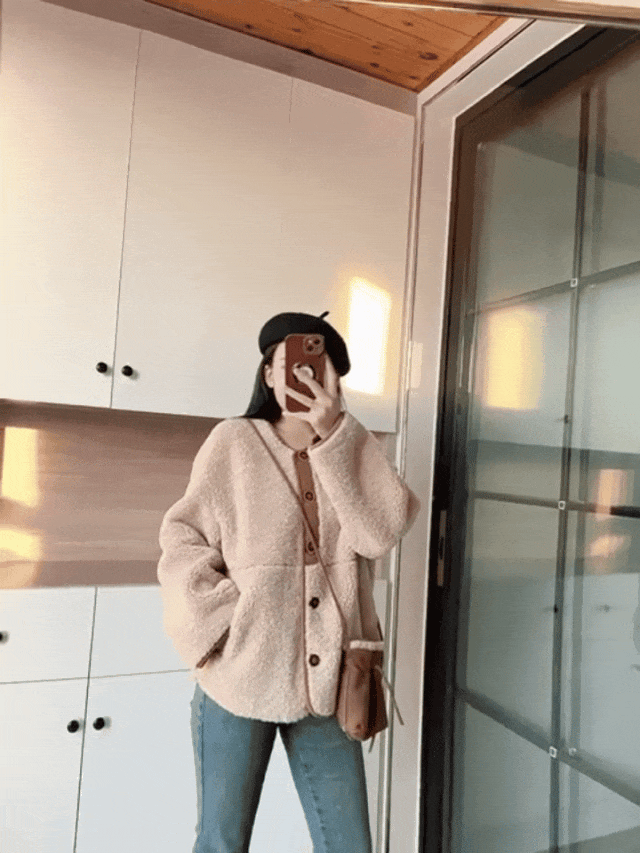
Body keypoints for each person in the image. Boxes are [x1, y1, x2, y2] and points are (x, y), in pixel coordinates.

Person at [157, 311, 420, 853]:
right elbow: (183, 536)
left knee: (349, 845)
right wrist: (222, 624)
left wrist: (337, 435)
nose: (303, 377)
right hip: (239, 676)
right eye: (290, 365)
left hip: (329, 687)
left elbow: (380, 534)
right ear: (269, 373)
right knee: (221, 843)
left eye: (316, 369)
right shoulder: (232, 441)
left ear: (334, 380)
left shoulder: (352, 444)